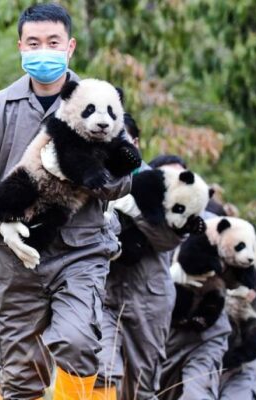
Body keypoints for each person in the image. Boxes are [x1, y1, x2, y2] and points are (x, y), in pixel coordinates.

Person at [0, 4, 131, 399]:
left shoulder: (102, 102)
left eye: (52, 42)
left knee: (79, 341)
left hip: (80, 250)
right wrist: (2, 223)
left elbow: (125, 182)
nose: (43, 50)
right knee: (20, 375)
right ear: (20, 46)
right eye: (33, 43)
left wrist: (90, 171)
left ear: (70, 47)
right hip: (14, 257)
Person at [94, 116, 186, 399]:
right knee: (102, 371)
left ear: (135, 142)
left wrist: (136, 211)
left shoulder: (160, 184)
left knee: (142, 388)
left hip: (149, 299)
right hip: (104, 295)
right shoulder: (93, 178)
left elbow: (170, 238)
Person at [150, 155, 232, 399]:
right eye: (168, 177)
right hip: (154, 337)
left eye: (183, 176)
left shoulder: (211, 223)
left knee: (197, 395)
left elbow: (240, 267)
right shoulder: (136, 218)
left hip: (203, 336)